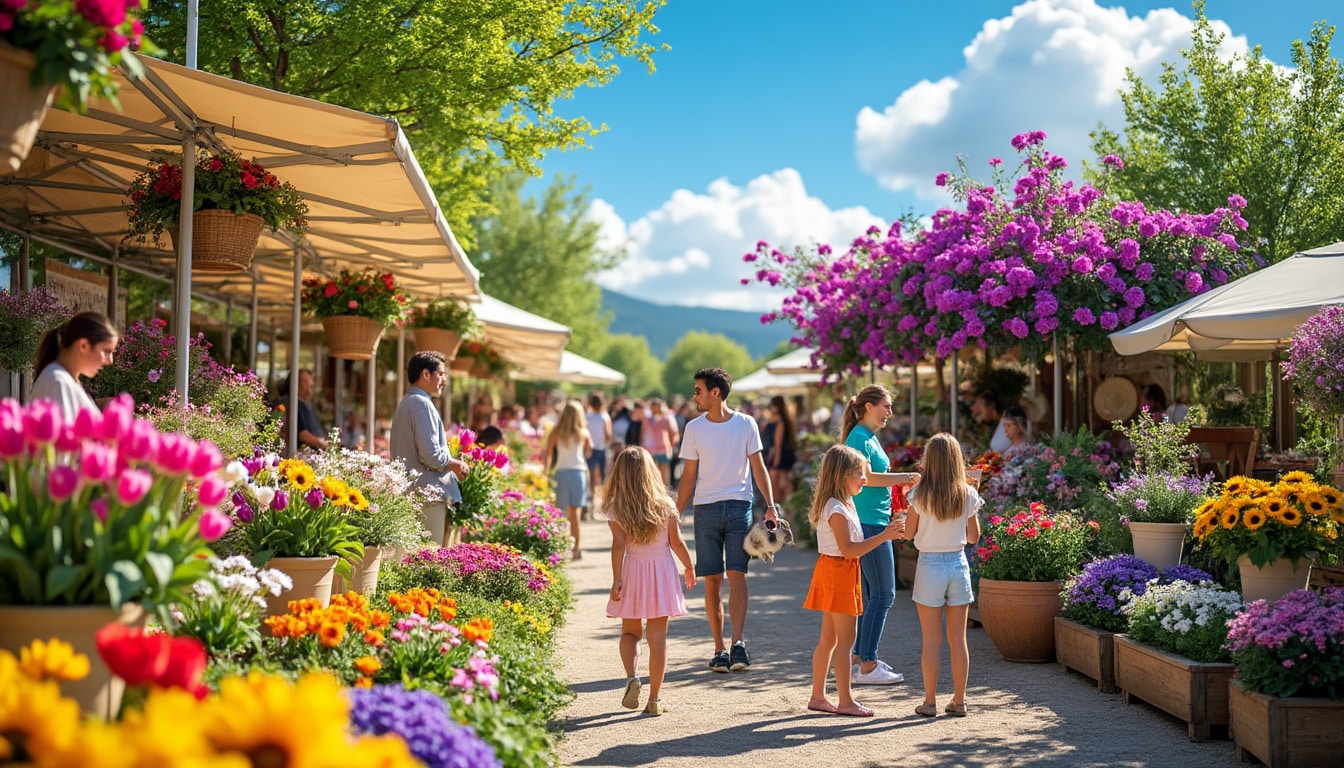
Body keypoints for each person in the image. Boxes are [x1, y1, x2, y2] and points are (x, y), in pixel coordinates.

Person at [675, 367, 778, 673]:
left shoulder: (746, 424)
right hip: (705, 507)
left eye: (698, 390)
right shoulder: (694, 428)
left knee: (738, 575)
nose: (695, 395)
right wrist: (676, 512)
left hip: (739, 506)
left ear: (715, 392)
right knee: (713, 580)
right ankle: (719, 648)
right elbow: (689, 475)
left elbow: (759, 468)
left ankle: (738, 644)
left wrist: (770, 505)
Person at [804, 444, 906, 717]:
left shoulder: (842, 504)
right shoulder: (836, 508)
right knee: (846, 641)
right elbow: (848, 549)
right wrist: (885, 536)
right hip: (839, 571)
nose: (865, 479)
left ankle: (818, 696)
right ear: (842, 475)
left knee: (829, 639)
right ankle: (845, 701)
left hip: (838, 571)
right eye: (860, 474)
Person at [605, 446, 697, 716]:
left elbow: (618, 545)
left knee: (630, 633)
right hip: (662, 573)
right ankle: (654, 700)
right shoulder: (665, 505)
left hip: (633, 571)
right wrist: (689, 566)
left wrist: (616, 579)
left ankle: (632, 676)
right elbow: (676, 542)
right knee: (658, 639)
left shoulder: (617, 508)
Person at [841, 385, 921, 685]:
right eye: (886, 406)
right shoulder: (859, 437)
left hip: (873, 520)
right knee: (884, 593)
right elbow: (866, 478)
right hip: (869, 523)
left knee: (873, 595)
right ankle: (868, 663)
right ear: (868, 407)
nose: (890, 412)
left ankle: (861, 659)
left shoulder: (867, 437)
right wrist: (909, 477)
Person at [905, 433, 983, 718]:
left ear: (929, 461)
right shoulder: (968, 493)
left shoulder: (918, 495)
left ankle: (929, 702)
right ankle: (960, 700)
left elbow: (909, 533)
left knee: (931, 640)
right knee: (958, 638)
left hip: (929, 565)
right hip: (958, 564)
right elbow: (973, 536)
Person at [390, 352, 469, 546]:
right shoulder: (421, 404)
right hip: (427, 493)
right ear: (426, 374)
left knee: (412, 555)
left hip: (413, 490)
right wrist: (454, 463)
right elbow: (430, 454)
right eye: (441, 374)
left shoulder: (409, 401)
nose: (444, 380)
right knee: (427, 555)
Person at [29, 311, 117, 418]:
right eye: (106, 351)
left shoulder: (64, 380)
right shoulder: (59, 383)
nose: (110, 361)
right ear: (83, 346)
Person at [545, 400, 593, 560]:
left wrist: (546, 472)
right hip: (579, 472)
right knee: (575, 515)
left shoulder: (557, 431)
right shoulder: (583, 432)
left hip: (562, 472)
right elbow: (589, 451)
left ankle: (558, 548)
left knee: (559, 513)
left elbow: (548, 454)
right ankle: (576, 549)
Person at [763, 396, 798, 523]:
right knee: (780, 487)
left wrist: (776, 462)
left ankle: (781, 515)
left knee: (777, 488)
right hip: (779, 457)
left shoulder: (779, 421)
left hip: (778, 458)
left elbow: (778, 443)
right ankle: (782, 515)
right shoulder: (782, 420)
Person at [280, 369, 328, 452]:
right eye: (307, 382)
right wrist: (321, 442)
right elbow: (303, 435)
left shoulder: (306, 404)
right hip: (299, 457)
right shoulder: (292, 403)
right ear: (300, 384)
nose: (312, 384)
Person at [641, 398, 679, 488]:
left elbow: (674, 434)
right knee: (654, 475)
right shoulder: (648, 419)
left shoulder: (667, 419)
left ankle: (665, 493)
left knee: (663, 475)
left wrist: (671, 445)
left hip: (661, 449)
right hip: (652, 450)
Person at [585, 393, 613, 489]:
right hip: (602, 448)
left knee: (591, 474)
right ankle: (601, 495)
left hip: (590, 449)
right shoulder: (605, 417)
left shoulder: (587, 417)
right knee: (603, 474)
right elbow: (608, 435)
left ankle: (592, 495)